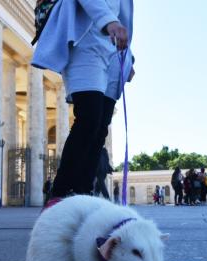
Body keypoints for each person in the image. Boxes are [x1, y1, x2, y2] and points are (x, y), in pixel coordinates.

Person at [32, 0, 135, 203]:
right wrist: (109, 22)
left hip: (113, 50)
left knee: (100, 128)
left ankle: (83, 194)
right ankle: (59, 194)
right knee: (89, 118)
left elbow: (123, 15)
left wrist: (128, 55)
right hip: (85, 40)